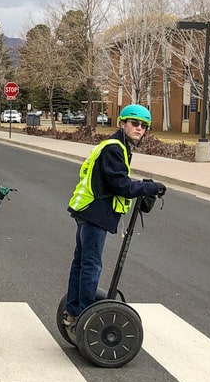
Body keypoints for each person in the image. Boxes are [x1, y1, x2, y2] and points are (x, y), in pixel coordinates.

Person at [63, 104, 165, 328]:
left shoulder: (118, 146)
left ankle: (73, 310)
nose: (140, 129)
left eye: (144, 126)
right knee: (90, 264)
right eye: (135, 124)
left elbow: (116, 180)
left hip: (89, 210)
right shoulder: (114, 148)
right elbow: (120, 185)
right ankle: (81, 316)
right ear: (123, 124)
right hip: (95, 213)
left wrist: (142, 185)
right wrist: (148, 188)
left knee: (81, 262)